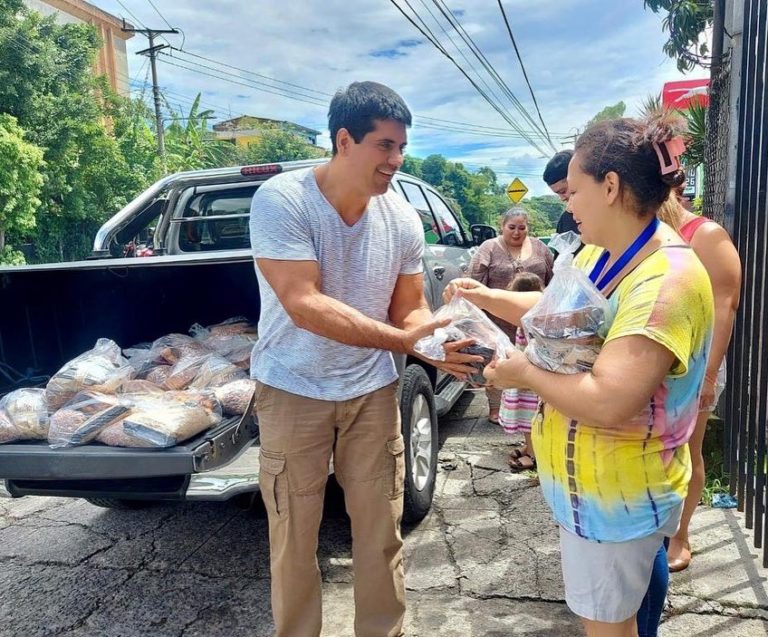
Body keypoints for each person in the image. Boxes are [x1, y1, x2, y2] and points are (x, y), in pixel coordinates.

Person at [444, 114, 714, 637]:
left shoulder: (665, 281)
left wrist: (522, 372)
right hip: (594, 492)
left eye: (576, 189)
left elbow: (610, 400)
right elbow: (553, 308)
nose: (568, 203)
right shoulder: (602, 252)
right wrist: (486, 296)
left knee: (609, 629)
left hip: (616, 498)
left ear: (610, 187)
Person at [249, 81, 480, 637]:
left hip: (372, 393)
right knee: (293, 536)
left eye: (402, 147)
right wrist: (406, 344)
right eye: (385, 146)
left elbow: (410, 307)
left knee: (381, 531)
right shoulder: (282, 199)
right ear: (344, 140)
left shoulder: (401, 218)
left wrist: (436, 338)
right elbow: (303, 303)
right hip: (293, 387)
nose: (396, 160)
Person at [657, 186, 742, 572]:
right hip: (653, 360)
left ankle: (681, 534)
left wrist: (708, 377)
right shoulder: (641, 230)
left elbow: (725, 305)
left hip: (696, 364)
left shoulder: (704, 235)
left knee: (687, 451)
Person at [468, 209, 553, 424]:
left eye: (522, 228)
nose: (517, 232)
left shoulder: (540, 248)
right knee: (499, 359)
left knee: (532, 361)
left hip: (533, 319)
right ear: (502, 226)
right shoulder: (489, 248)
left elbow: (553, 278)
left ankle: (530, 411)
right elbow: (474, 278)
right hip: (497, 318)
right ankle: (497, 407)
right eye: (511, 227)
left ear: (528, 228)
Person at [499, 271, 544, 471]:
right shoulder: (528, 321)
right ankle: (530, 447)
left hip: (529, 383)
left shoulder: (531, 323)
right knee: (528, 420)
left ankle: (534, 456)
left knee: (529, 420)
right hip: (526, 380)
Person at [543, 149, 580, 234]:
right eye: (558, 194)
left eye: (563, 191)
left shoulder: (609, 213)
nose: (562, 198)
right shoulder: (566, 221)